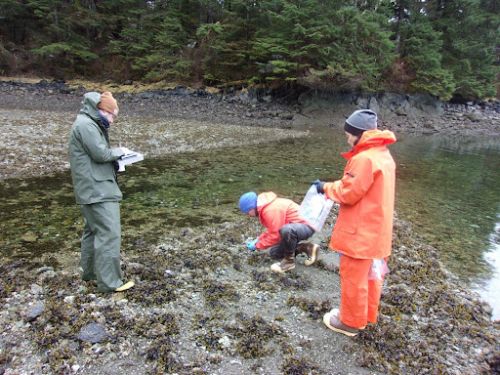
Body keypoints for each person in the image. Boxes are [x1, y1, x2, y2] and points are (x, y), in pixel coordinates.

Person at [313, 109, 396, 337]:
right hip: (377, 231)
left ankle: (350, 322)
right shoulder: (383, 155)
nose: (347, 138)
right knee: (372, 276)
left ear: (359, 133)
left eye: (349, 134)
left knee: (353, 278)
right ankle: (366, 315)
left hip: (360, 233)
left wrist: (324, 187)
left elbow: (348, 192)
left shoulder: (364, 159)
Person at [68, 91, 134, 293]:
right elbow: (100, 154)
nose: (112, 120)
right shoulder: (86, 125)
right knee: (109, 234)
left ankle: (90, 274)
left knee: (92, 231)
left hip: (91, 189)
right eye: (111, 115)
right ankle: (111, 283)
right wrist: (121, 152)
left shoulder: (87, 123)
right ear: (101, 110)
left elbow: (95, 156)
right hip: (98, 191)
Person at [238, 191, 319, 273]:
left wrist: (258, 245)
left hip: (307, 225)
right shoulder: (266, 206)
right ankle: (307, 248)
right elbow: (272, 229)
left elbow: (275, 235)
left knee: (286, 230)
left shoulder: (270, 210)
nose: (248, 215)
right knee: (275, 253)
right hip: (297, 227)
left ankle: (288, 262)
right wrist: (259, 239)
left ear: (251, 207)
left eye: (247, 212)